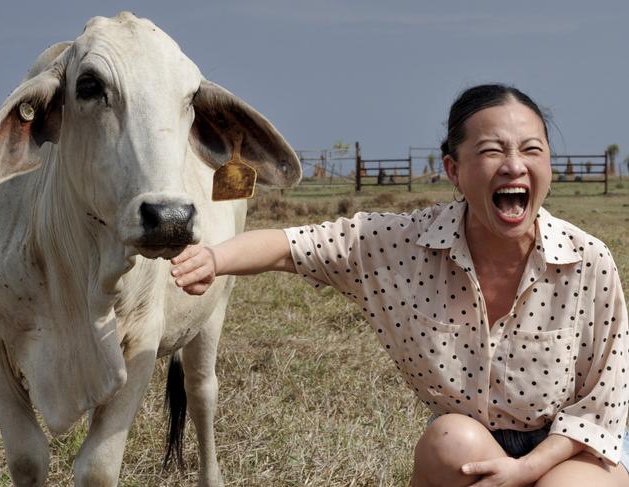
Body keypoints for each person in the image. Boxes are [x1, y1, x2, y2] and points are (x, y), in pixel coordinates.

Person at [171, 84, 629, 486]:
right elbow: (290, 246)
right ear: (453, 170)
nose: (514, 165)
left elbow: (603, 404)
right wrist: (214, 257)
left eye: (531, 150)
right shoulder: (399, 245)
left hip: (569, 451)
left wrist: (525, 470)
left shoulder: (587, 261)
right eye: (492, 151)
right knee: (450, 440)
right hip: (469, 450)